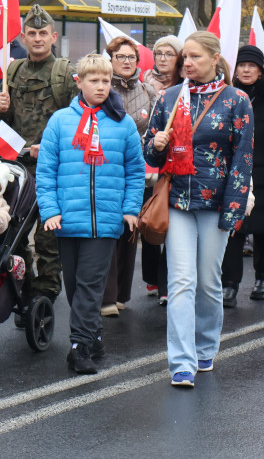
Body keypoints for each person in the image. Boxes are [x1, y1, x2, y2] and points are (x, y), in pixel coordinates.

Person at [145, 32, 254, 387]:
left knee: (208, 283)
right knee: (180, 281)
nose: (186, 63)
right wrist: (156, 144)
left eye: (194, 57)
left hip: (215, 203)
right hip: (176, 200)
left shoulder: (237, 100)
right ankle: (181, 362)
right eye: (183, 58)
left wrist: (233, 210)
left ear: (214, 58)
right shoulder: (169, 97)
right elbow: (149, 152)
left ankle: (206, 347)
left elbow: (243, 159)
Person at [37, 54, 145, 374]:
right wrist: (51, 210)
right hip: (68, 219)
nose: (101, 87)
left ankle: (78, 347)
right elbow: (46, 171)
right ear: (79, 82)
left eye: (106, 81)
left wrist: (129, 210)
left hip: (105, 220)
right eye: (94, 81)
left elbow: (135, 171)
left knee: (89, 286)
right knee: (74, 286)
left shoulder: (122, 122)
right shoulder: (59, 121)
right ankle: (94, 335)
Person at [0, 4, 76, 304]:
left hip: (54, 169)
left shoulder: (65, 74)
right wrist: (0, 110)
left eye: (43, 33)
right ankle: (26, 287)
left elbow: (77, 123)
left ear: (53, 37)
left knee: (48, 237)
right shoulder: (13, 71)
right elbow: (3, 125)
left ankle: (46, 293)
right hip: (18, 169)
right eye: (32, 33)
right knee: (14, 231)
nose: (38, 38)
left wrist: (53, 147)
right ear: (23, 38)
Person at [221, 45, 264, 305]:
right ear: (235, 69)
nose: (246, 70)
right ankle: (230, 284)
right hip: (234, 170)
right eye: (242, 65)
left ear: (261, 70)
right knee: (234, 228)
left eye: (252, 66)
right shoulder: (227, 95)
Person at [100, 36, 157, 317]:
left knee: (129, 231)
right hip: (105, 169)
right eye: (120, 57)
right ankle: (107, 294)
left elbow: (156, 128)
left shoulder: (149, 92)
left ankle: (122, 293)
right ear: (110, 60)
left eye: (131, 57)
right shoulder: (101, 88)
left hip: (137, 171)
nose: (126, 62)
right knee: (108, 232)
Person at [140, 34, 183, 304]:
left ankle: (167, 281)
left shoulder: (185, 86)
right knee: (150, 219)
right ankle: (152, 278)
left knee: (173, 224)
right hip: (147, 157)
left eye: (169, 53)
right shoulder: (143, 85)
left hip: (174, 162)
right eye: (159, 53)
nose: (163, 58)